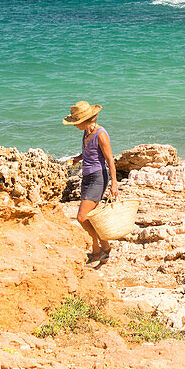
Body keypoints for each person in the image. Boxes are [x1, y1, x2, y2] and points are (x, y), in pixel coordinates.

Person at [63, 100, 118, 263]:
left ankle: (97, 248)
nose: (74, 125)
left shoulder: (100, 133)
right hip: (87, 177)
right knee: (90, 217)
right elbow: (90, 153)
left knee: (81, 217)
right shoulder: (87, 132)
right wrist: (77, 158)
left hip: (98, 177)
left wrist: (114, 183)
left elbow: (109, 159)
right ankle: (104, 248)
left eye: (76, 122)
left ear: (86, 120)